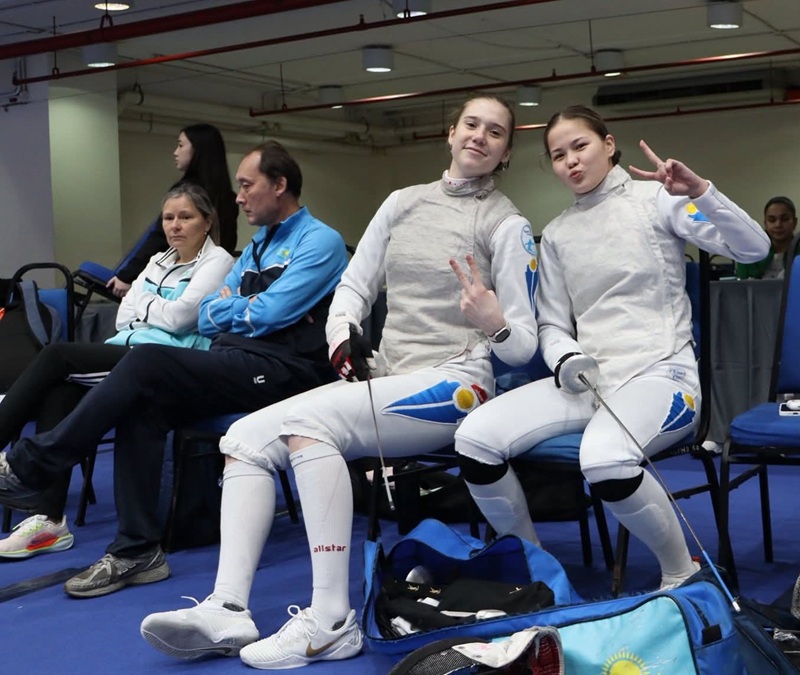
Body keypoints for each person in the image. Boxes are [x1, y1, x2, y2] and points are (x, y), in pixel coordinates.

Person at [139, 93, 539, 669]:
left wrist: (493, 321)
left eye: (495, 132)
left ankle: (330, 619)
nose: (480, 136)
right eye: (471, 124)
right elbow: (353, 287)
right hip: (387, 377)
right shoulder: (402, 203)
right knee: (244, 438)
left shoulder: (508, 224)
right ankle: (228, 606)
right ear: (451, 132)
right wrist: (342, 335)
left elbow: (523, 343)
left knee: (305, 424)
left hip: (459, 383)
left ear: (504, 152)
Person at [0, 140, 347, 597]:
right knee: (143, 403)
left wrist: (239, 307)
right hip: (232, 359)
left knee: (145, 361)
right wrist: (243, 307)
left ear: (280, 185)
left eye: (247, 186)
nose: (238, 197)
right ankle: (136, 551)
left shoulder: (319, 241)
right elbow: (207, 314)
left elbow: (268, 315)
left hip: (284, 373)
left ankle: (33, 463)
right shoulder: (257, 246)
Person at [453, 105, 770, 592]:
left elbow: (754, 249)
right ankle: (535, 570)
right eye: (558, 156)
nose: (571, 162)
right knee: (474, 438)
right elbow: (553, 324)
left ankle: (681, 572)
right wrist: (564, 358)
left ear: (607, 143)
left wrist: (702, 192)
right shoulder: (557, 233)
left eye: (579, 146)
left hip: (664, 376)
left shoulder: (656, 200)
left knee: (603, 458)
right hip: (590, 379)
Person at [0, 184, 234, 559]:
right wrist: (153, 308)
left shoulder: (219, 261)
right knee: (58, 387)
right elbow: (125, 313)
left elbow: (183, 319)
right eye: (169, 218)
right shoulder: (158, 259)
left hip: (165, 360)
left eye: (186, 217)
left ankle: (23, 473)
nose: (175, 226)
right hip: (123, 350)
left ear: (206, 222)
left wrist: (145, 305)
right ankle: (49, 521)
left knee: (58, 357)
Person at [106, 123, 239, 297]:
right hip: (212, 281)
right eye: (169, 218)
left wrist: (127, 275)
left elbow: (158, 239)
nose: (175, 152)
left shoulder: (186, 192)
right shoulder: (228, 196)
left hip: (178, 282)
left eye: (181, 145)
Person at [735, 196, 800, 279]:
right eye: (772, 220)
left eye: (784, 219)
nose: (778, 225)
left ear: (794, 222)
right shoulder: (748, 257)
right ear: (765, 223)